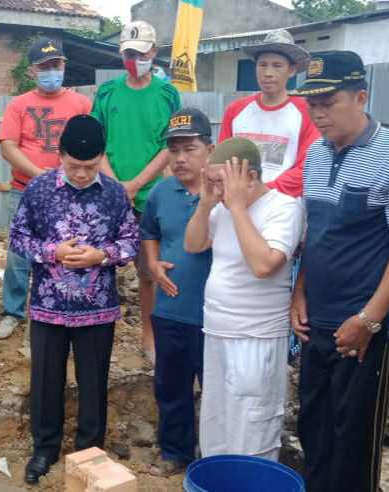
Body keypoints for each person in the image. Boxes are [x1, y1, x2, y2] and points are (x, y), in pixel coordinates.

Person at [289, 51, 389, 492]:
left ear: (361, 96)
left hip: (364, 330)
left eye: (328, 102)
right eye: (313, 104)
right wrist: (299, 292)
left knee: (354, 440)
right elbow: (316, 232)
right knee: (313, 427)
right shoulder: (315, 154)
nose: (319, 113)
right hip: (318, 321)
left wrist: (369, 319)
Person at [10, 115, 138, 485]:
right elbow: (18, 237)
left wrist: (103, 256)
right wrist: (52, 251)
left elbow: (131, 241)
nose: (82, 174)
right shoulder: (38, 190)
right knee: (46, 380)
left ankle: (89, 451)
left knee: (94, 380)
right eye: (74, 166)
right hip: (49, 306)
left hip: (97, 307)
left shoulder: (114, 193)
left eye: (90, 166)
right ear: (60, 155)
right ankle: (45, 450)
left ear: (101, 159)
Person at [184, 137, 304, 461]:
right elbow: (193, 245)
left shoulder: (284, 207)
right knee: (217, 423)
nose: (217, 190)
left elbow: (265, 265)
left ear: (250, 177)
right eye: (211, 182)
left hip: (256, 336)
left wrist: (236, 207)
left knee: (253, 427)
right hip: (218, 331)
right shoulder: (220, 207)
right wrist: (206, 203)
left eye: (221, 182)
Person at [91, 20, 181, 363]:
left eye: (140, 53)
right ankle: (96, 336)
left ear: (153, 53)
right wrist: (117, 185)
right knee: (99, 266)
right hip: (109, 195)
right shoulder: (108, 92)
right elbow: (96, 141)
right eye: (128, 54)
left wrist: (137, 184)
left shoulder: (166, 94)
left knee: (149, 272)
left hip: (151, 197)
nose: (133, 59)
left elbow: (169, 145)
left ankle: (149, 335)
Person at [0, 36, 92, 343]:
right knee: (19, 253)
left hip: (71, 193)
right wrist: (41, 177)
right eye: (44, 67)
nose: (51, 71)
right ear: (32, 71)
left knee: (67, 250)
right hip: (25, 191)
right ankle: (12, 312)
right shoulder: (18, 105)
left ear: (64, 66)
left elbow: (90, 144)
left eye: (56, 65)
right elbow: (8, 147)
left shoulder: (80, 103)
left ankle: (62, 305)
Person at [140, 108, 214, 476]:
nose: (180, 157)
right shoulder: (161, 192)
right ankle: (175, 452)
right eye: (174, 150)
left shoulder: (227, 195)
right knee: (171, 386)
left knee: (216, 391)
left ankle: (216, 457)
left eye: (190, 148)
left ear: (210, 150)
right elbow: (149, 233)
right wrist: (153, 265)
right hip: (170, 310)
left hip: (215, 317)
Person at [218, 29, 319, 197]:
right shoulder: (235, 110)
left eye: (277, 65)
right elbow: (223, 159)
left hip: (283, 204)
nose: (268, 73)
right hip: (236, 199)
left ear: (292, 70)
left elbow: (306, 168)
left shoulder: (307, 112)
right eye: (262, 65)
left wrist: (264, 191)